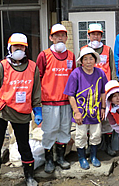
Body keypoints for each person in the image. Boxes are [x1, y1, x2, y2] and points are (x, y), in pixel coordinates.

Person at [0, 33, 41, 186]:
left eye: (21, 47)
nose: (19, 49)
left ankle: (29, 176)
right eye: (16, 47)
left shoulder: (33, 67)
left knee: (24, 145)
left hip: (22, 112)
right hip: (3, 110)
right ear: (10, 48)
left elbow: (35, 91)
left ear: (25, 48)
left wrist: (37, 109)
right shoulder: (1, 66)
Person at [36, 23, 76, 173]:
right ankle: (49, 160)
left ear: (66, 37)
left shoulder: (71, 55)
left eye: (62, 35)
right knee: (50, 130)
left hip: (66, 101)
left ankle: (60, 158)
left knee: (65, 130)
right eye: (56, 35)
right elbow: (38, 77)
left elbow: (73, 78)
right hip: (49, 101)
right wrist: (37, 104)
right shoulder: (44, 55)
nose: (60, 38)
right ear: (51, 37)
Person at [64, 47, 107, 170]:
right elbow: (70, 95)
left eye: (91, 59)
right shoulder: (76, 73)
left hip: (96, 111)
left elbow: (103, 92)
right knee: (81, 135)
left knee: (96, 135)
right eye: (86, 59)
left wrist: (103, 107)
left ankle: (93, 156)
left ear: (95, 60)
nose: (88, 61)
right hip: (81, 112)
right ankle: (82, 158)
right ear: (81, 61)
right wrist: (76, 112)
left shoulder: (100, 73)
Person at [80, 23, 116, 156]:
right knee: (90, 117)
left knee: (106, 118)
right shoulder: (83, 49)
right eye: (93, 34)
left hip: (104, 90)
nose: (96, 36)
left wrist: (113, 87)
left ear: (102, 36)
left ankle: (108, 145)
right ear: (88, 35)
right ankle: (90, 146)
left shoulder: (108, 49)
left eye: (98, 34)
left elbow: (112, 69)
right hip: (89, 91)